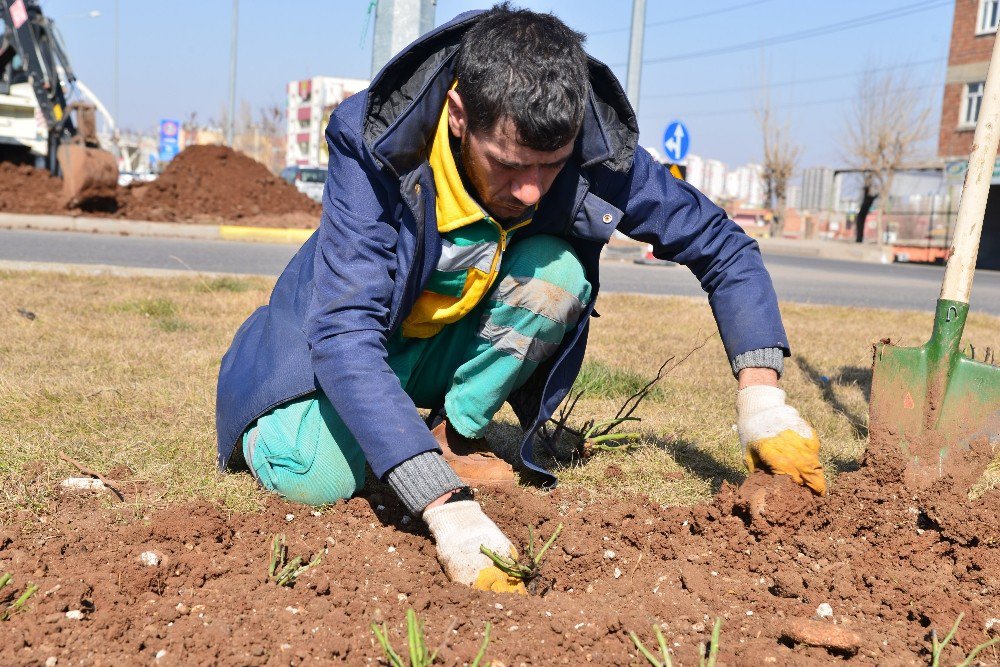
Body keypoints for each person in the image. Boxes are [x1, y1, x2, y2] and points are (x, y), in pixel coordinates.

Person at [216, 4, 825, 595]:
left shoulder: (593, 149)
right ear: (458, 113)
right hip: (341, 343)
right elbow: (346, 333)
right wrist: (448, 511)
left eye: (550, 165)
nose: (531, 189)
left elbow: (724, 248)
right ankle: (381, 442)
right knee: (315, 475)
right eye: (507, 165)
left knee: (558, 272)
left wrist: (762, 399)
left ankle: (451, 435)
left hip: (446, 341)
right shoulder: (377, 140)